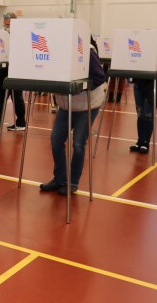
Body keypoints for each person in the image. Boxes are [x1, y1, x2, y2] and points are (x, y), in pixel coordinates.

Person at [39, 37, 107, 196]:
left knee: (78, 144)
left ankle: (73, 182)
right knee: (56, 139)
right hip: (66, 104)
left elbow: (99, 77)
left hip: (87, 105)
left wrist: (76, 86)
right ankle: (59, 179)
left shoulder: (88, 50)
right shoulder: (56, 50)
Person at [0, 12, 26, 131]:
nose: (7, 26)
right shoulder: (2, 34)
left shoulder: (20, 34)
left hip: (16, 69)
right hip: (3, 68)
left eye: (9, 24)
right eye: (5, 24)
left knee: (16, 96)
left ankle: (21, 123)